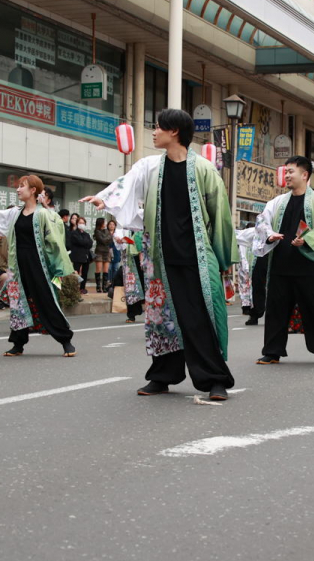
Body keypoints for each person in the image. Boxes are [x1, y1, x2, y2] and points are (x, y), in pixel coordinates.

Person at [82, 108, 236, 400]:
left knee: (200, 318)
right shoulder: (150, 166)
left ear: (174, 131)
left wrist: (221, 259)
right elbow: (125, 184)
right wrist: (104, 197)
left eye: (157, 127)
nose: (153, 132)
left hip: (196, 258)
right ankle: (163, 376)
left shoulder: (204, 169)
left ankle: (215, 379)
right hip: (160, 257)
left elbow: (221, 217)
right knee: (161, 319)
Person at [0, 175, 77, 358]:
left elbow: (56, 241)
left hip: (38, 265)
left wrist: (57, 268)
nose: (18, 189)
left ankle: (65, 340)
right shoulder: (14, 213)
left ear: (33, 191)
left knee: (46, 300)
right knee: (18, 304)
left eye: (22, 186)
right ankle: (18, 343)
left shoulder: (44, 214)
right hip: (17, 265)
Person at [251, 155, 314, 366]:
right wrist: (269, 234)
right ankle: (272, 352)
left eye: (291, 171)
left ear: (305, 175)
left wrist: (307, 240)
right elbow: (261, 221)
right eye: (286, 172)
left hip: (307, 265)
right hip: (280, 264)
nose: (287, 175)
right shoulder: (278, 202)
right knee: (276, 309)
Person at [68, 213, 94, 292]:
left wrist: (85, 242)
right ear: (77, 223)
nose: (82, 224)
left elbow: (90, 243)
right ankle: (74, 288)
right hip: (77, 256)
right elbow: (80, 242)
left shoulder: (86, 234)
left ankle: (82, 288)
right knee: (76, 272)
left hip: (85, 256)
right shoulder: (74, 233)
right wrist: (85, 242)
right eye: (80, 223)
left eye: (83, 223)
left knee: (85, 273)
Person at [92, 217, 112, 293]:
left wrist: (107, 238)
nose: (105, 223)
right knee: (98, 269)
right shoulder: (97, 231)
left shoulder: (107, 231)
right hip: (99, 251)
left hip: (107, 252)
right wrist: (108, 237)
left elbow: (111, 240)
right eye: (104, 222)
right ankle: (98, 286)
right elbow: (103, 240)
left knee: (106, 270)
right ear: (101, 223)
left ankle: (104, 287)